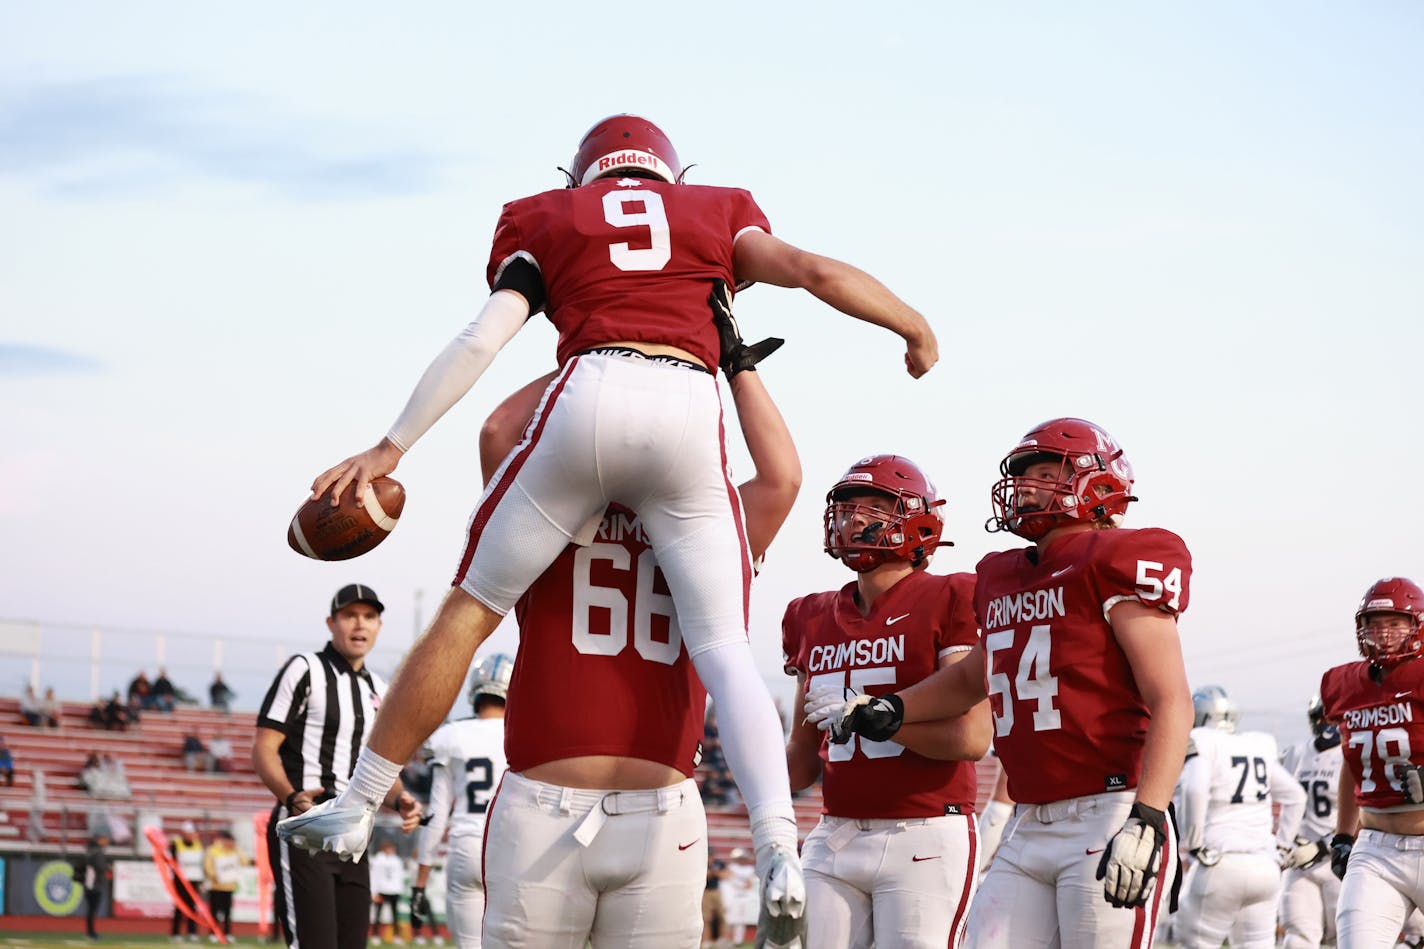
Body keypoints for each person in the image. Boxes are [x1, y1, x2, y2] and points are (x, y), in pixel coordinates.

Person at [280, 114, 937, 936]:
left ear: (580, 177)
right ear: (670, 173)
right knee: (727, 647)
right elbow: (807, 272)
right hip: (694, 400)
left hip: (585, 394)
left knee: (469, 604)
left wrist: (393, 445)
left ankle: (358, 798)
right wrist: (909, 324)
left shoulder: (546, 218)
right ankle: (776, 842)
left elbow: (484, 344)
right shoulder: (715, 210)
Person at [464, 332, 800, 948]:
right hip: (656, 809)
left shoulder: (545, 519)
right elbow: (782, 477)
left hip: (556, 805)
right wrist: (732, 365)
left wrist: (596, 355)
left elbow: (496, 430)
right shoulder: (710, 534)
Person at [812, 417, 1195, 948]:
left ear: (1100, 481)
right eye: (1024, 474)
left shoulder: (1119, 557)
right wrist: (892, 710)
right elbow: (975, 675)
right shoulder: (1003, 573)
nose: (1029, 486)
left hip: (1109, 810)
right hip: (1029, 820)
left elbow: (1171, 698)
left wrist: (1149, 816)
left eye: (1046, 471)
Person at [783, 454, 990, 948]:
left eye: (876, 506)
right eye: (849, 506)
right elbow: (800, 759)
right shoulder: (808, 617)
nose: (856, 518)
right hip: (833, 835)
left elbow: (972, 737)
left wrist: (877, 719)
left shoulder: (951, 596)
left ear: (918, 521)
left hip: (923, 832)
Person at [253, 583, 423, 949]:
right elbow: (264, 747)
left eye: (369, 616)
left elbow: (379, 767)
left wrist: (402, 799)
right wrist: (291, 796)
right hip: (306, 824)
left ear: (378, 625)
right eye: (350, 615)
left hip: (353, 832)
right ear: (331, 623)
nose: (359, 625)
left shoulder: (378, 689)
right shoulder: (305, 669)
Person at [1320, 577, 1424, 948]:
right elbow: (1351, 762)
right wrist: (1344, 835)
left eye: (1395, 623)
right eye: (1374, 624)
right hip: (1376, 848)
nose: (1383, 633)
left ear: (1416, 626)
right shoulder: (1344, 683)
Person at [1173, 685, 1305, 949]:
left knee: (1195, 941)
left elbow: (1195, 787)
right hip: (1264, 866)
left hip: (1221, 860)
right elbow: (1296, 796)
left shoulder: (1202, 741)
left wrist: (1196, 843)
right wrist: (1281, 845)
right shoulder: (1257, 744)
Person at [412, 653, 511, 948]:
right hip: (511, 847)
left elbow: (438, 813)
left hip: (466, 844)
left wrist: (420, 884)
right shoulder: (522, 733)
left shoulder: (452, 736)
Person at [1276, 695, 1345, 949]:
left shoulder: (1350, 753)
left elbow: (1362, 813)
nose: (1325, 723)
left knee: (1348, 938)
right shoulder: (1295, 752)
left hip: (1341, 859)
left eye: (1330, 717)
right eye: (1320, 717)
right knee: (1298, 937)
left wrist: (1321, 847)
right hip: (1301, 861)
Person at [204, 828, 245, 941]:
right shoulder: (212, 850)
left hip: (229, 887)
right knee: (214, 912)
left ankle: (227, 933)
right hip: (215, 886)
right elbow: (208, 867)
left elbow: (244, 862)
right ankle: (213, 933)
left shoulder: (234, 850)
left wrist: (237, 849)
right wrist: (214, 877)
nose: (230, 843)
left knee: (227, 913)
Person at [170, 820, 207, 942]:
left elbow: (201, 864)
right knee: (179, 907)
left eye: (193, 833)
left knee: (193, 908)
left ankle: (192, 932)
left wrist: (202, 880)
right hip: (180, 880)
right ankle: (176, 933)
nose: (191, 835)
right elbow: (171, 859)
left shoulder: (198, 844)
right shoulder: (176, 843)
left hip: (194, 880)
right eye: (189, 833)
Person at [369, 839, 405, 945]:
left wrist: (399, 889)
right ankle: (375, 935)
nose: (392, 850)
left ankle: (397, 936)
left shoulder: (397, 860)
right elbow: (374, 876)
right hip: (381, 891)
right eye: (389, 848)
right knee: (378, 914)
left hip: (394, 891)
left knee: (395, 915)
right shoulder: (378, 860)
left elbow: (399, 876)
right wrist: (374, 892)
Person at [82, 829, 111, 940]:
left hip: (89, 883)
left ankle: (90, 931)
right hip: (95, 884)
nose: (107, 841)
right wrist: (107, 867)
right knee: (92, 909)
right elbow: (100, 867)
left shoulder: (90, 850)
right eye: (106, 839)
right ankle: (91, 932)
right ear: (101, 840)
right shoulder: (97, 852)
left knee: (91, 909)